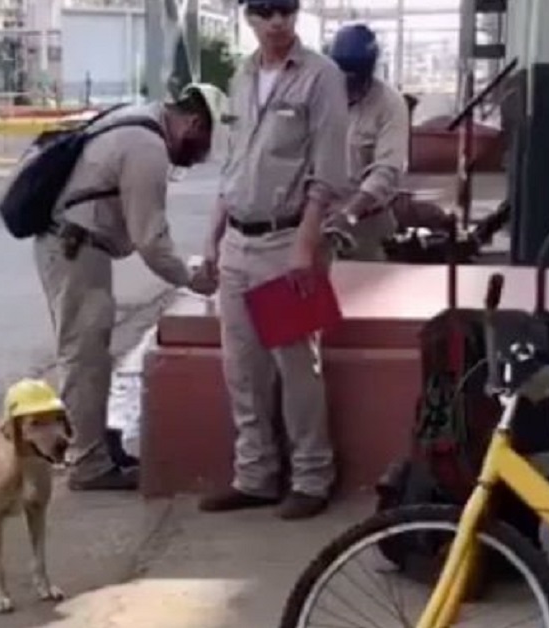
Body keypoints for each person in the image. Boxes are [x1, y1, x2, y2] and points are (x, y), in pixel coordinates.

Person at [198, 0, 350, 519]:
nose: (277, 21)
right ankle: (255, 476)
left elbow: (329, 171)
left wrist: (306, 244)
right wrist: (213, 237)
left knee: (296, 368)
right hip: (238, 241)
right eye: (265, 11)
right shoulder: (241, 77)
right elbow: (232, 166)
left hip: (288, 242)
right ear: (249, 18)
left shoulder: (321, 77)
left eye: (286, 8)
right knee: (243, 368)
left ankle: (311, 476)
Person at [34, 84, 225, 492]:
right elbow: (151, 240)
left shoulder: (137, 118)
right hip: (74, 248)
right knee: (83, 355)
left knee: (93, 354)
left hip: (75, 245)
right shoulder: (147, 147)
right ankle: (88, 464)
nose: (197, 156)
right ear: (193, 123)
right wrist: (194, 280)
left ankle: (94, 442)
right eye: (202, 144)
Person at [323, 23, 411, 261]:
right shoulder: (320, 98)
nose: (349, 83)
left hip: (367, 223)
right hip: (318, 218)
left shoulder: (390, 104)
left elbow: (387, 170)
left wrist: (349, 211)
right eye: (343, 74)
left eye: (356, 77)